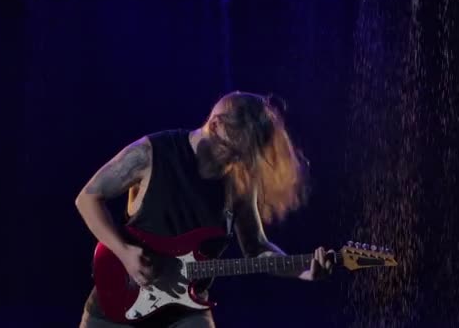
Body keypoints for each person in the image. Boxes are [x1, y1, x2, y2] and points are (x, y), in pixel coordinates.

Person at [75, 91, 335, 327]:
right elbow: (87, 199)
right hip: (121, 299)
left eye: (246, 155)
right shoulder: (153, 153)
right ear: (215, 126)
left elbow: (256, 249)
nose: (238, 161)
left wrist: (303, 270)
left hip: (186, 310)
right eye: (233, 151)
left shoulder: (240, 181)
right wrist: (124, 253)